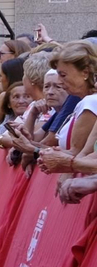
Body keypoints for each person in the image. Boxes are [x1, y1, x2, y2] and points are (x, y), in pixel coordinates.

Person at [35, 41, 97, 173]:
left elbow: (78, 153)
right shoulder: (84, 102)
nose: (60, 81)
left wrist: (68, 169)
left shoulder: (90, 102)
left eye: (63, 75)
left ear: (85, 73)